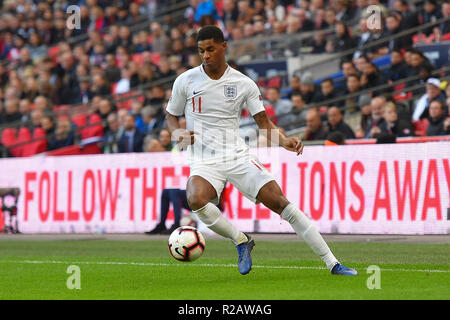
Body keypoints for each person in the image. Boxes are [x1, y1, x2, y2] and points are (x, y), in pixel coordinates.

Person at [165, 26, 357, 276]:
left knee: (281, 203)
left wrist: (285, 140)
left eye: (210, 49)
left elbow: (264, 125)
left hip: (236, 156)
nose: (205, 55)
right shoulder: (186, 80)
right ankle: (241, 240)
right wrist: (175, 132)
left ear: (224, 46)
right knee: (195, 199)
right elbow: (171, 114)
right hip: (203, 161)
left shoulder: (243, 83)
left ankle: (333, 263)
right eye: (201, 51)